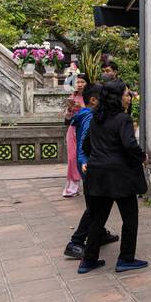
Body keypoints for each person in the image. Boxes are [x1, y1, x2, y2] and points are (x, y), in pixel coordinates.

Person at [78, 80, 149, 274]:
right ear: (117, 98)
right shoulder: (122, 119)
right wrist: (142, 157)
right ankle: (126, 258)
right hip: (120, 176)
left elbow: (86, 145)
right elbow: (129, 144)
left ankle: (88, 260)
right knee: (130, 217)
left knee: (97, 218)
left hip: (98, 174)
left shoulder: (96, 118)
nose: (129, 97)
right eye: (127, 94)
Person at [63, 84, 119, 259]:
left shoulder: (86, 114)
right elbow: (85, 143)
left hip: (88, 164)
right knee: (95, 206)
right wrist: (85, 162)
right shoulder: (89, 117)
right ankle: (75, 242)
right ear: (94, 100)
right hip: (89, 165)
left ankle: (99, 233)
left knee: (95, 203)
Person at [62, 73, 90, 198]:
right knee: (72, 158)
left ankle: (89, 184)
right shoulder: (72, 97)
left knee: (84, 157)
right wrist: (69, 109)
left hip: (86, 130)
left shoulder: (90, 97)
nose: (79, 85)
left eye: (82, 82)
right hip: (73, 130)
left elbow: (93, 111)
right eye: (77, 82)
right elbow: (67, 117)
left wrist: (81, 107)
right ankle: (72, 187)